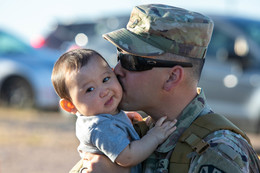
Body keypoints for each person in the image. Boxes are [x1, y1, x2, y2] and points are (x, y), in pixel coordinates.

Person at [71, 4, 260, 173]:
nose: (117, 70)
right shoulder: (126, 133)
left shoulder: (218, 153)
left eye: (131, 61)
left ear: (172, 77)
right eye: (119, 56)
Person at [51, 48, 177, 173]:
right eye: (90, 89)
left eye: (106, 79)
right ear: (70, 105)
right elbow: (128, 157)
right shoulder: (99, 127)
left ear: (113, 73)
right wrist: (155, 136)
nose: (104, 91)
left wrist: (122, 118)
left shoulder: (104, 118)